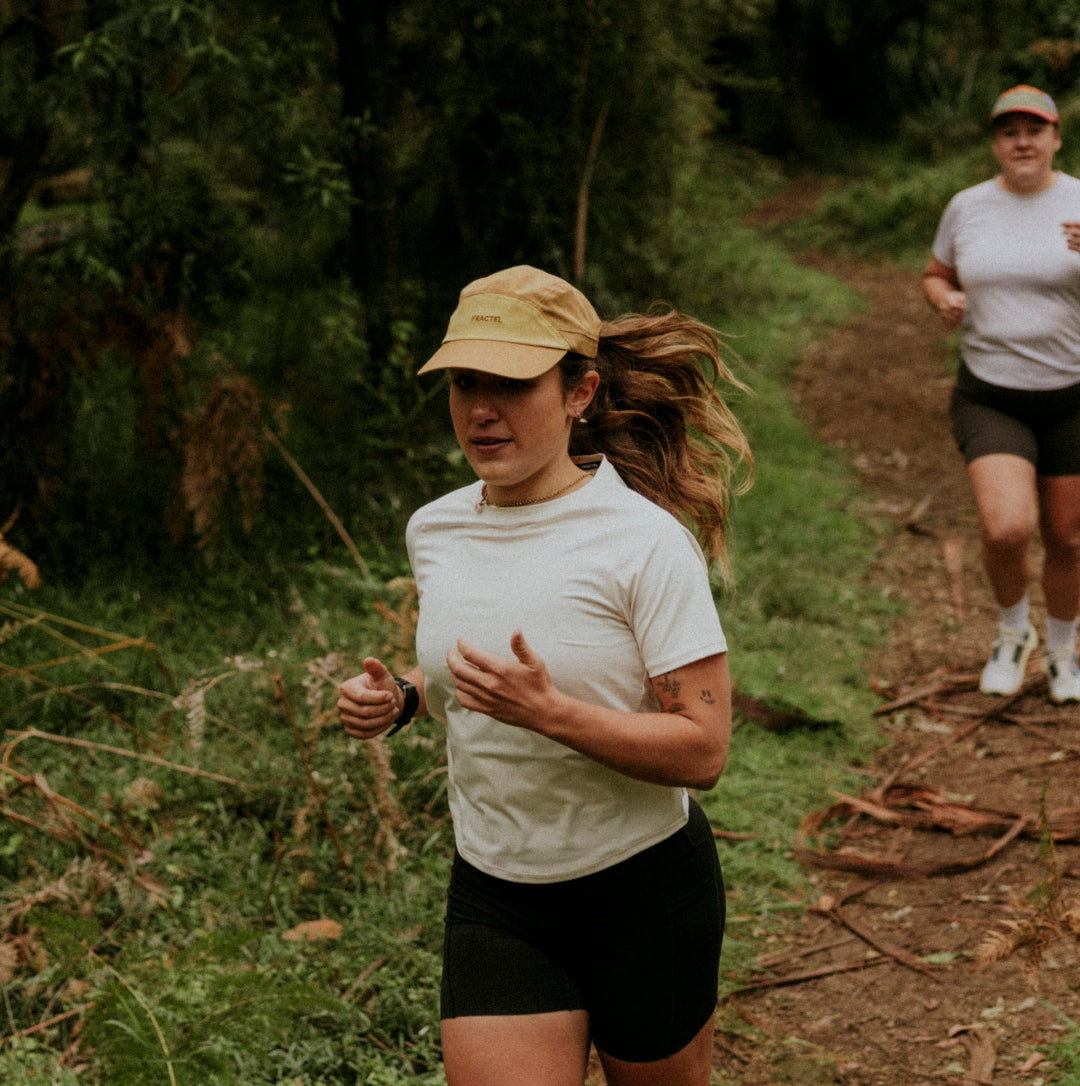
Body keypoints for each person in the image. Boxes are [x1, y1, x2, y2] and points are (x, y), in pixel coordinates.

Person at [338, 264, 752, 1086]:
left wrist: (551, 714)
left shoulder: (644, 542)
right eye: (464, 383)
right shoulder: (437, 529)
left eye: (512, 383)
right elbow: (468, 677)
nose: (481, 410)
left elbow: (703, 750)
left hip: (644, 894)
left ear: (579, 391)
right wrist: (403, 701)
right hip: (498, 894)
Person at [923, 84, 1080, 704]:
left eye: (1034, 130)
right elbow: (936, 273)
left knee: (1068, 538)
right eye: (1009, 131)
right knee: (1008, 528)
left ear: (1055, 139)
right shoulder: (967, 207)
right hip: (991, 394)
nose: (1022, 142)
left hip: (1073, 395)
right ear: (995, 143)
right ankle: (1013, 634)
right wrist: (944, 299)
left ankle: (1064, 647)